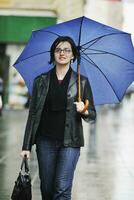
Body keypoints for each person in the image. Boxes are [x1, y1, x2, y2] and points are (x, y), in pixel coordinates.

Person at [21, 36, 96, 200]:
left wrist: (84, 110)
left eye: (67, 50)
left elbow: (92, 115)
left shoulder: (81, 82)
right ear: (53, 54)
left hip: (70, 142)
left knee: (62, 188)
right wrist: (26, 146)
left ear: (73, 55)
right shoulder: (40, 81)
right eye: (58, 50)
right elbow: (33, 115)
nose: (62, 53)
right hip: (45, 141)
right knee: (47, 189)